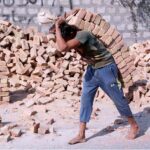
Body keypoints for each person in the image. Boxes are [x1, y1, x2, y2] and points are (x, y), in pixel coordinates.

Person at [54, 17, 139, 145]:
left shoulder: (83, 35)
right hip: (92, 69)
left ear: (70, 35)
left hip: (106, 68)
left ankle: (134, 125)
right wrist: (59, 21)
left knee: (117, 98)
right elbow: (73, 13)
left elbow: (62, 47)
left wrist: (56, 27)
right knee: (85, 99)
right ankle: (81, 134)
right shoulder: (73, 34)